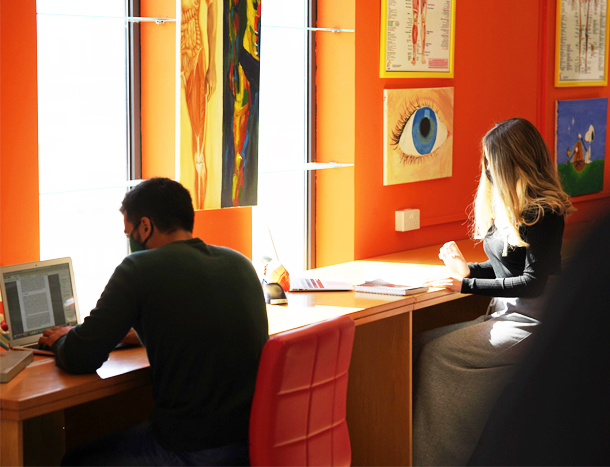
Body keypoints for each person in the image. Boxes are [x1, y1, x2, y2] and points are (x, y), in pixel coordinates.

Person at [39, 177, 269, 466]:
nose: (130, 241)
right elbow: (191, 322)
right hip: (251, 443)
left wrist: (61, 339)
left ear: (145, 226)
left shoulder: (139, 268)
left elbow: (80, 356)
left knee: (75, 460)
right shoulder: (240, 263)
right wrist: (129, 333)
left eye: (129, 233)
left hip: (187, 449)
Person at [415, 118, 575, 466]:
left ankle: (434, 460)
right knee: (420, 343)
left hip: (534, 319)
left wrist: (466, 285)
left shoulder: (545, 212)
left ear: (511, 162)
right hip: (509, 311)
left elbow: (532, 282)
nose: (486, 170)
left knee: (436, 355)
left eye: (490, 161)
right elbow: (508, 266)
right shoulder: (510, 205)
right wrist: (468, 270)